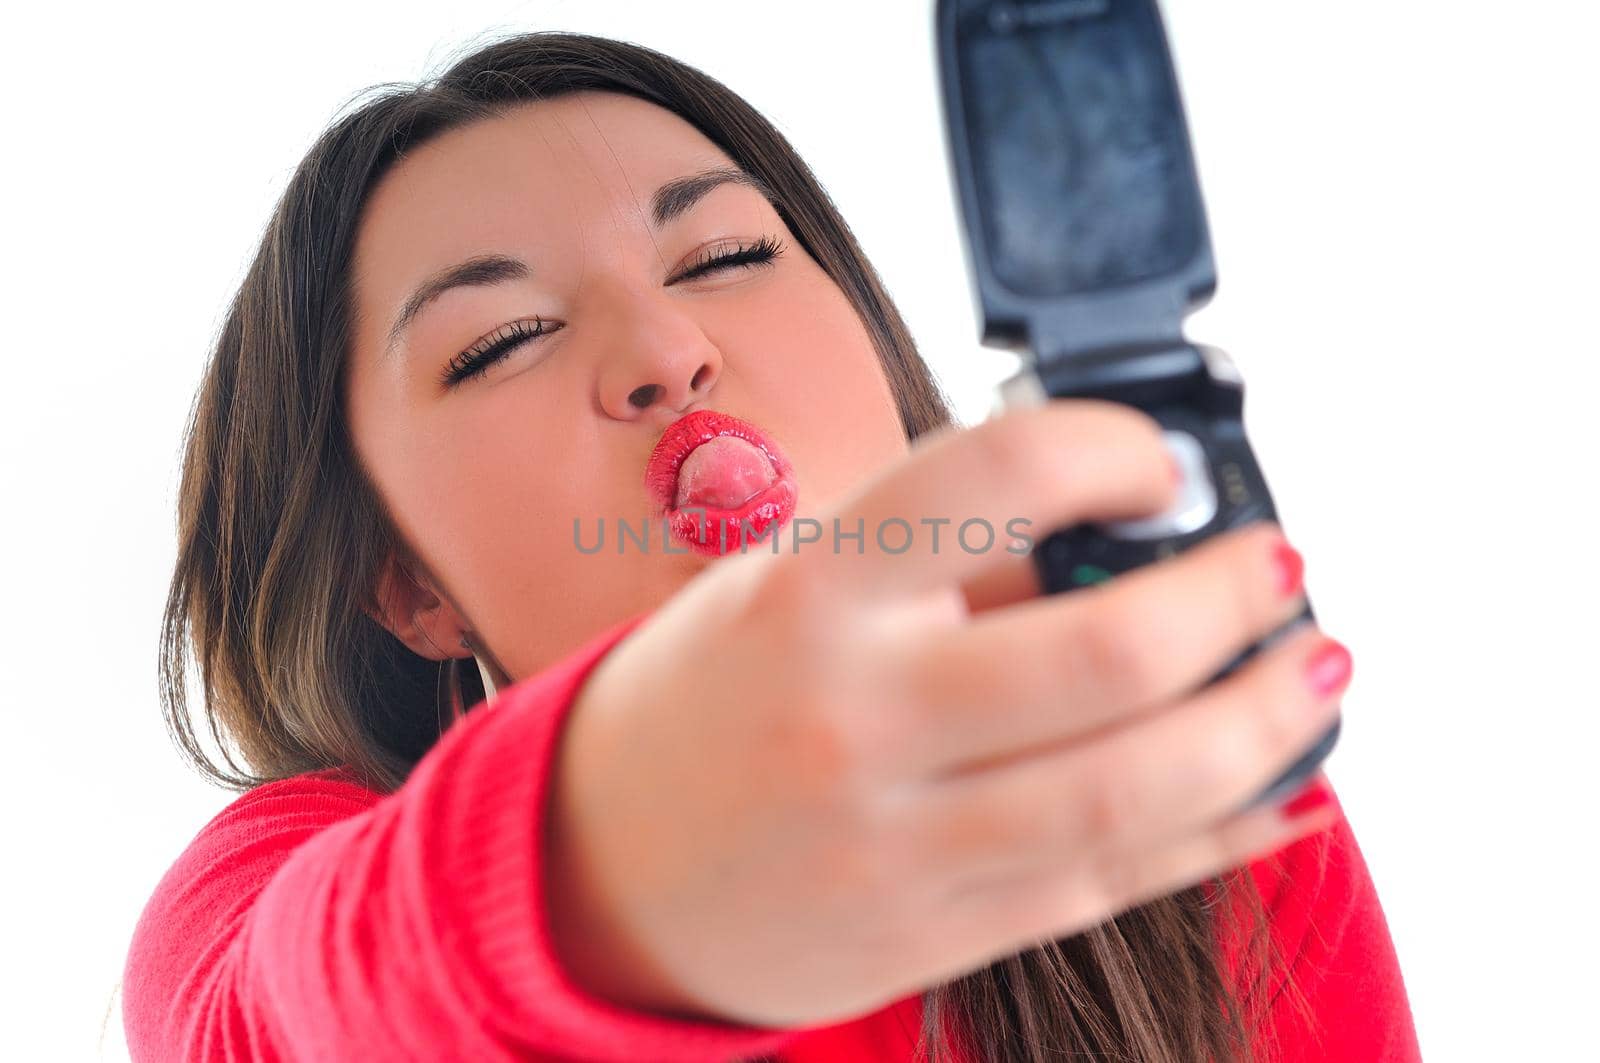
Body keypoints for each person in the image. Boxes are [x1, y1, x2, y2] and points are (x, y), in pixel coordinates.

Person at [122, 29, 1420, 1063]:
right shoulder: (255, 889)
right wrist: (599, 880)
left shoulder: (1168, 769)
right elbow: (274, 1011)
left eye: (729, 252)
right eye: (503, 339)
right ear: (405, 584)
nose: (665, 353)